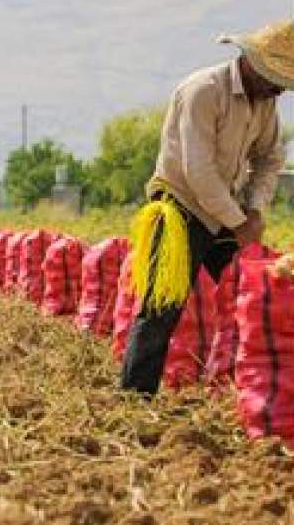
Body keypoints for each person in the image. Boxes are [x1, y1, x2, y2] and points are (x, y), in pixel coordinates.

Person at [120, 20, 294, 396]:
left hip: (226, 212)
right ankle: (134, 398)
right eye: (276, 78)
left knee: (251, 296)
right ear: (253, 64)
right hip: (180, 209)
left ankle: (239, 388)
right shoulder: (203, 91)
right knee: (161, 307)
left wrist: (256, 209)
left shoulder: (265, 104)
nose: (280, 89)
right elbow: (196, 171)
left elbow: (269, 159)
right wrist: (238, 221)